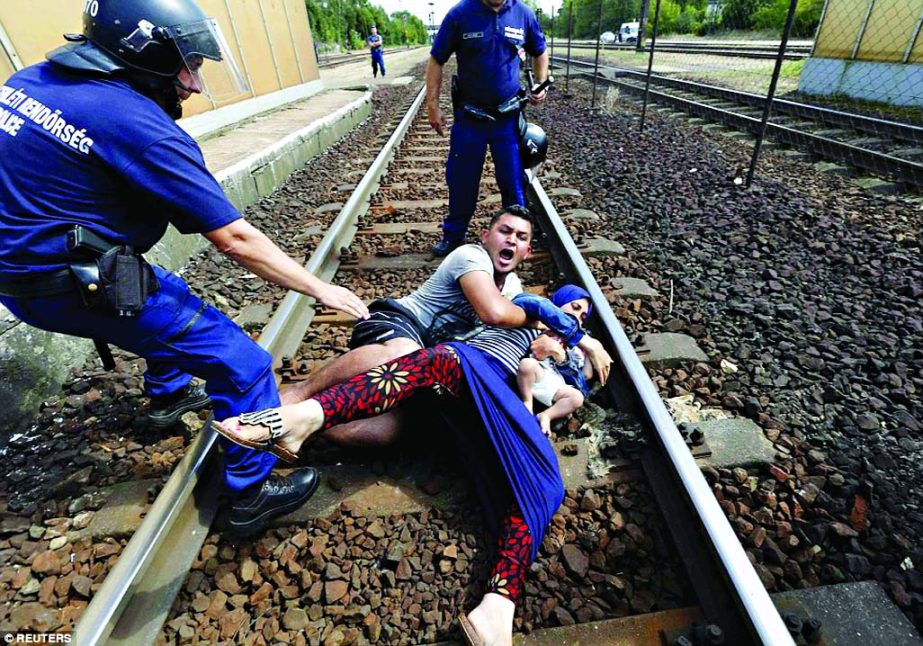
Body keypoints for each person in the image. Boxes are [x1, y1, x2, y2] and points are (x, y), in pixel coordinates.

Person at [0, 0, 369, 537]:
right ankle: (251, 492)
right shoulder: (140, 128)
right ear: (143, 55)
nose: (194, 85)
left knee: (160, 291)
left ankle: (168, 395)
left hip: (18, 273)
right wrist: (321, 290)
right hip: (66, 284)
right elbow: (237, 238)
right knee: (242, 363)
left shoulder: (30, 80)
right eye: (185, 66)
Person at [214, 289, 607, 645]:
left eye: (584, 314)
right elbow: (535, 307)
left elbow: (581, 389)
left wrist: (572, 360)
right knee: (447, 359)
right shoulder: (523, 313)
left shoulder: (565, 354)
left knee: (548, 488)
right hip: (465, 376)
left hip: (489, 420)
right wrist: (578, 336)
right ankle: (307, 417)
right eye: (573, 306)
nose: (577, 315)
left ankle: (498, 606)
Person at [280, 206, 612, 448]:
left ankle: (306, 425)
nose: (511, 239)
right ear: (487, 236)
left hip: (426, 362)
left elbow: (517, 341)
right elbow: (493, 313)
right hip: (398, 324)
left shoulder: (514, 288)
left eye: (521, 237)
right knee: (403, 353)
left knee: (389, 431)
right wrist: (579, 338)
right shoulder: (471, 256)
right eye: (504, 231)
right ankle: (298, 393)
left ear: (526, 252)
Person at [427, 0, 551, 257]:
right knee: (462, 180)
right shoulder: (460, 14)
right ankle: (453, 236)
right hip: (470, 118)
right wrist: (432, 105)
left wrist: (541, 84)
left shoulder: (523, 14)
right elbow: (436, 59)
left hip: (507, 118)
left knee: (513, 182)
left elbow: (539, 50)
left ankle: (518, 240)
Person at [517, 284, 594, 436]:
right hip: (535, 372)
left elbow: (585, 378)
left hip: (554, 382)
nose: (577, 316)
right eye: (575, 307)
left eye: (583, 317)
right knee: (527, 365)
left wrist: (589, 352)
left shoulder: (578, 344)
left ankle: (546, 415)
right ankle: (527, 401)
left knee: (576, 398)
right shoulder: (538, 320)